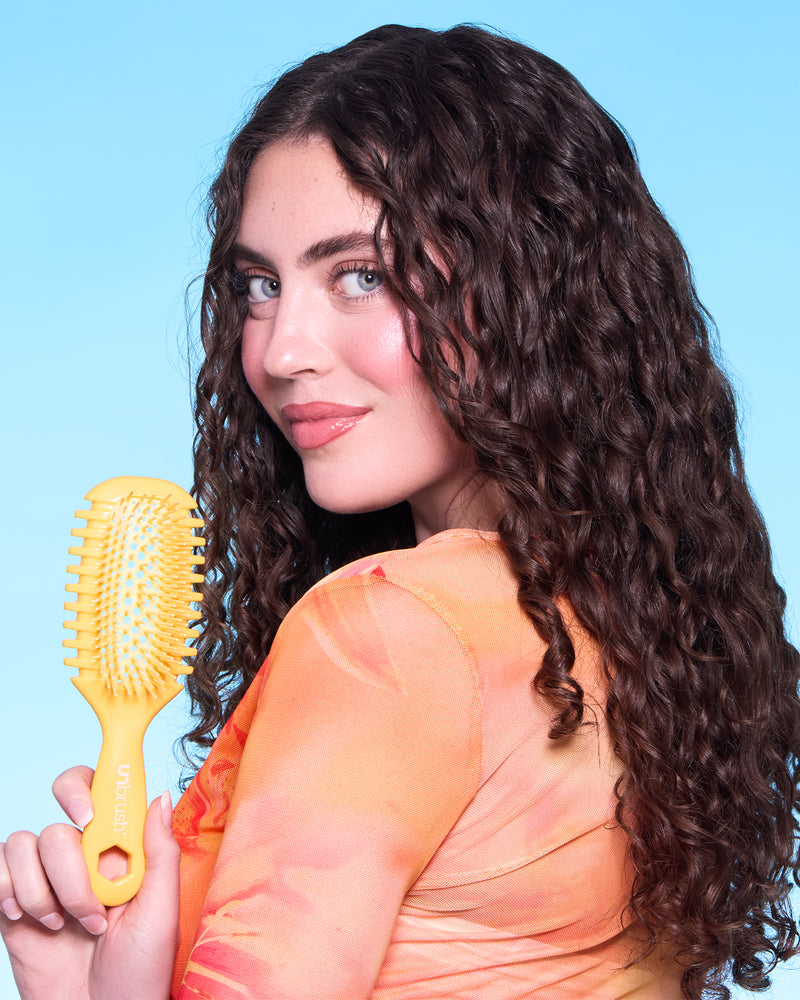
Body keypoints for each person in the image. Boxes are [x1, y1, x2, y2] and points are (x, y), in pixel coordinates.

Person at [1, 22, 798, 1000]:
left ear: (521, 290)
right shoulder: (653, 627)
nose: (282, 348)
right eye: (259, 284)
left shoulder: (383, 631)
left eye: (361, 276)